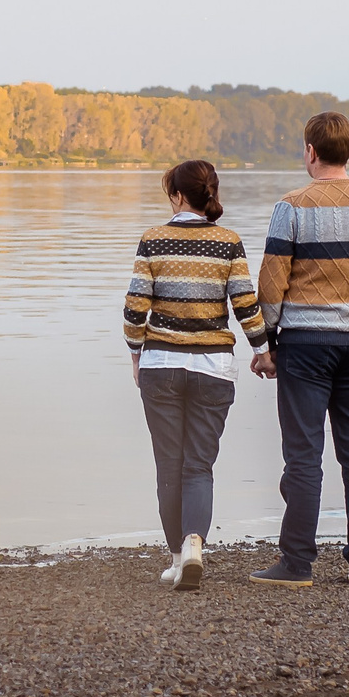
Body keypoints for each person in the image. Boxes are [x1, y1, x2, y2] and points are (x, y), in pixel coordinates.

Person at [247, 111, 349, 586]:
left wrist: (266, 344)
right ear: (348, 152)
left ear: (311, 151)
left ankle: (296, 563)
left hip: (306, 344)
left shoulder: (292, 206)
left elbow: (271, 285)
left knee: (303, 455)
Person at [122, 159, 268, 590]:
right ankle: (193, 547)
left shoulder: (153, 240)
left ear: (178, 195)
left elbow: (135, 307)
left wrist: (135, 353)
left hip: (161, 366)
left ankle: (175, 559)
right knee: (199, 465)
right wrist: (263, 352)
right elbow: (245, 304)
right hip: (214, 368)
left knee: (169, 464)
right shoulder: (229, 242)